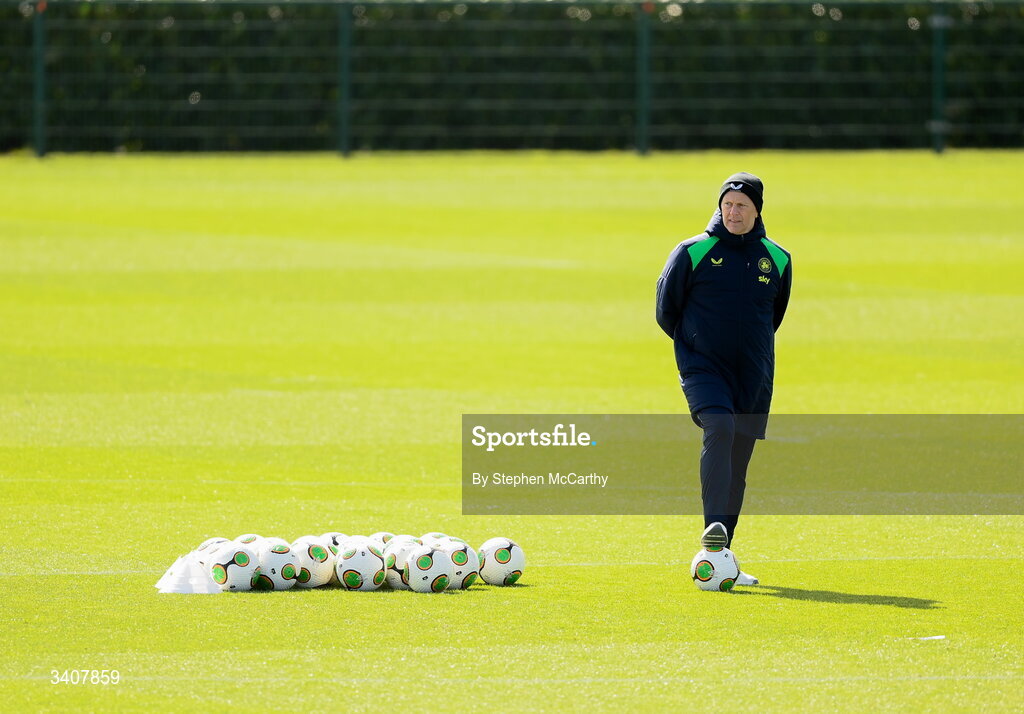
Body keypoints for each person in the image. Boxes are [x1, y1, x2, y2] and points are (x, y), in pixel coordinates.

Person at [655, 172, 792, 586]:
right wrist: (695, 345)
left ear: (757, 211)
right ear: (719, 207)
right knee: (720, 425)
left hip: (753, 374)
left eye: (742, 206)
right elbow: (666, 310)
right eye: (727, 205)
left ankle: (720, 556)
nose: (733, 212)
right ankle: (714, 530)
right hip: (703, 367)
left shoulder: (778, 258)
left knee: (739, 459)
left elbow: (774, 316)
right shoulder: (692, 251)